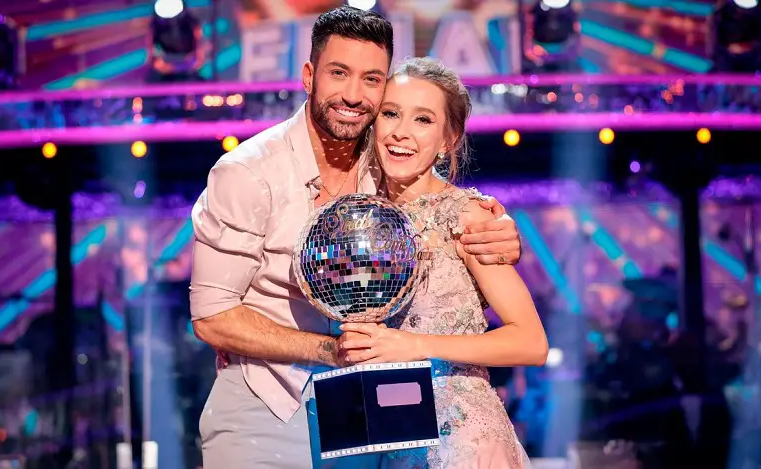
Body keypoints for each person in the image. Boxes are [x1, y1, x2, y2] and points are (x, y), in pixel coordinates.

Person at [190, 6, 523, 469]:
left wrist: (502, 234)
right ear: (309, 75)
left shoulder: (385, 163)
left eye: (371, 79)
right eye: (338, 73)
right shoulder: (248, 173)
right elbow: (212, 317)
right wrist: (331, 350)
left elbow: (443, 224)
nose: (353, 94)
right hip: (266, 406)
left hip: (370, 417)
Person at [339, 57, 549, 469]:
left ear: (448, 139)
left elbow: (531, 342)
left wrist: (415, 346)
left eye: (423, 120)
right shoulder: (353, 218)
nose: (401, 131)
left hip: (461, 442)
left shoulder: (467, 216)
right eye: (391, 113)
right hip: (384, 434)